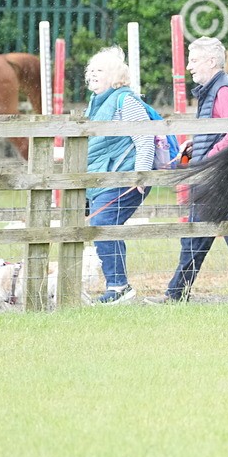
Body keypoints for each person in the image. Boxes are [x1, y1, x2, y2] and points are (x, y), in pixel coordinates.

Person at [157, 37, 228, 302]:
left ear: (211, 61)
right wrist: (196, 144)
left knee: (210, 235)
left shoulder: (223, 90)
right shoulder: (214, 89)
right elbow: (219, 130)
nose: (189, 66)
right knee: (210, 235)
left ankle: (177, 294)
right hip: (216, 173)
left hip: (218, 174)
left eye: (194, 60)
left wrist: (210, 156)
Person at [83, 46, 152, 305]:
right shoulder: (95, 103)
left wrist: (140, 175)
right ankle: (118, 286)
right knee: (104, 226)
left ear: (115, 76)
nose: (92, 74)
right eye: (91, 70)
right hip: (102, 179)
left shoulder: (126, 100)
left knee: (103, 223)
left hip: (124, 177)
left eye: (99, 70)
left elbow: (145, 137)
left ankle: (119, 286)